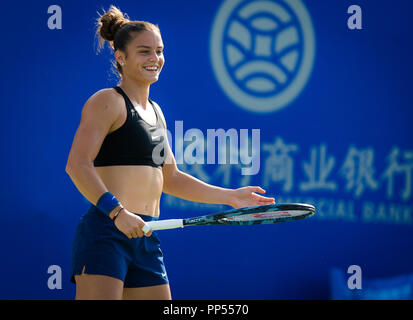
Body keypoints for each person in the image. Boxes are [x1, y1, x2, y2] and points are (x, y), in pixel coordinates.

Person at [65, 5, 275, 300]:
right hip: (107, 232)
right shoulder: (106, 102)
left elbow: (172, 178)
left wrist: (229, 196)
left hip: (147, 235)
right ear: (121, 58)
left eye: (159, 51)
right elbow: (77, 165)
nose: (155, 59)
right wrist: (118, 212)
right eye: (144, 51)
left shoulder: (157, 114)